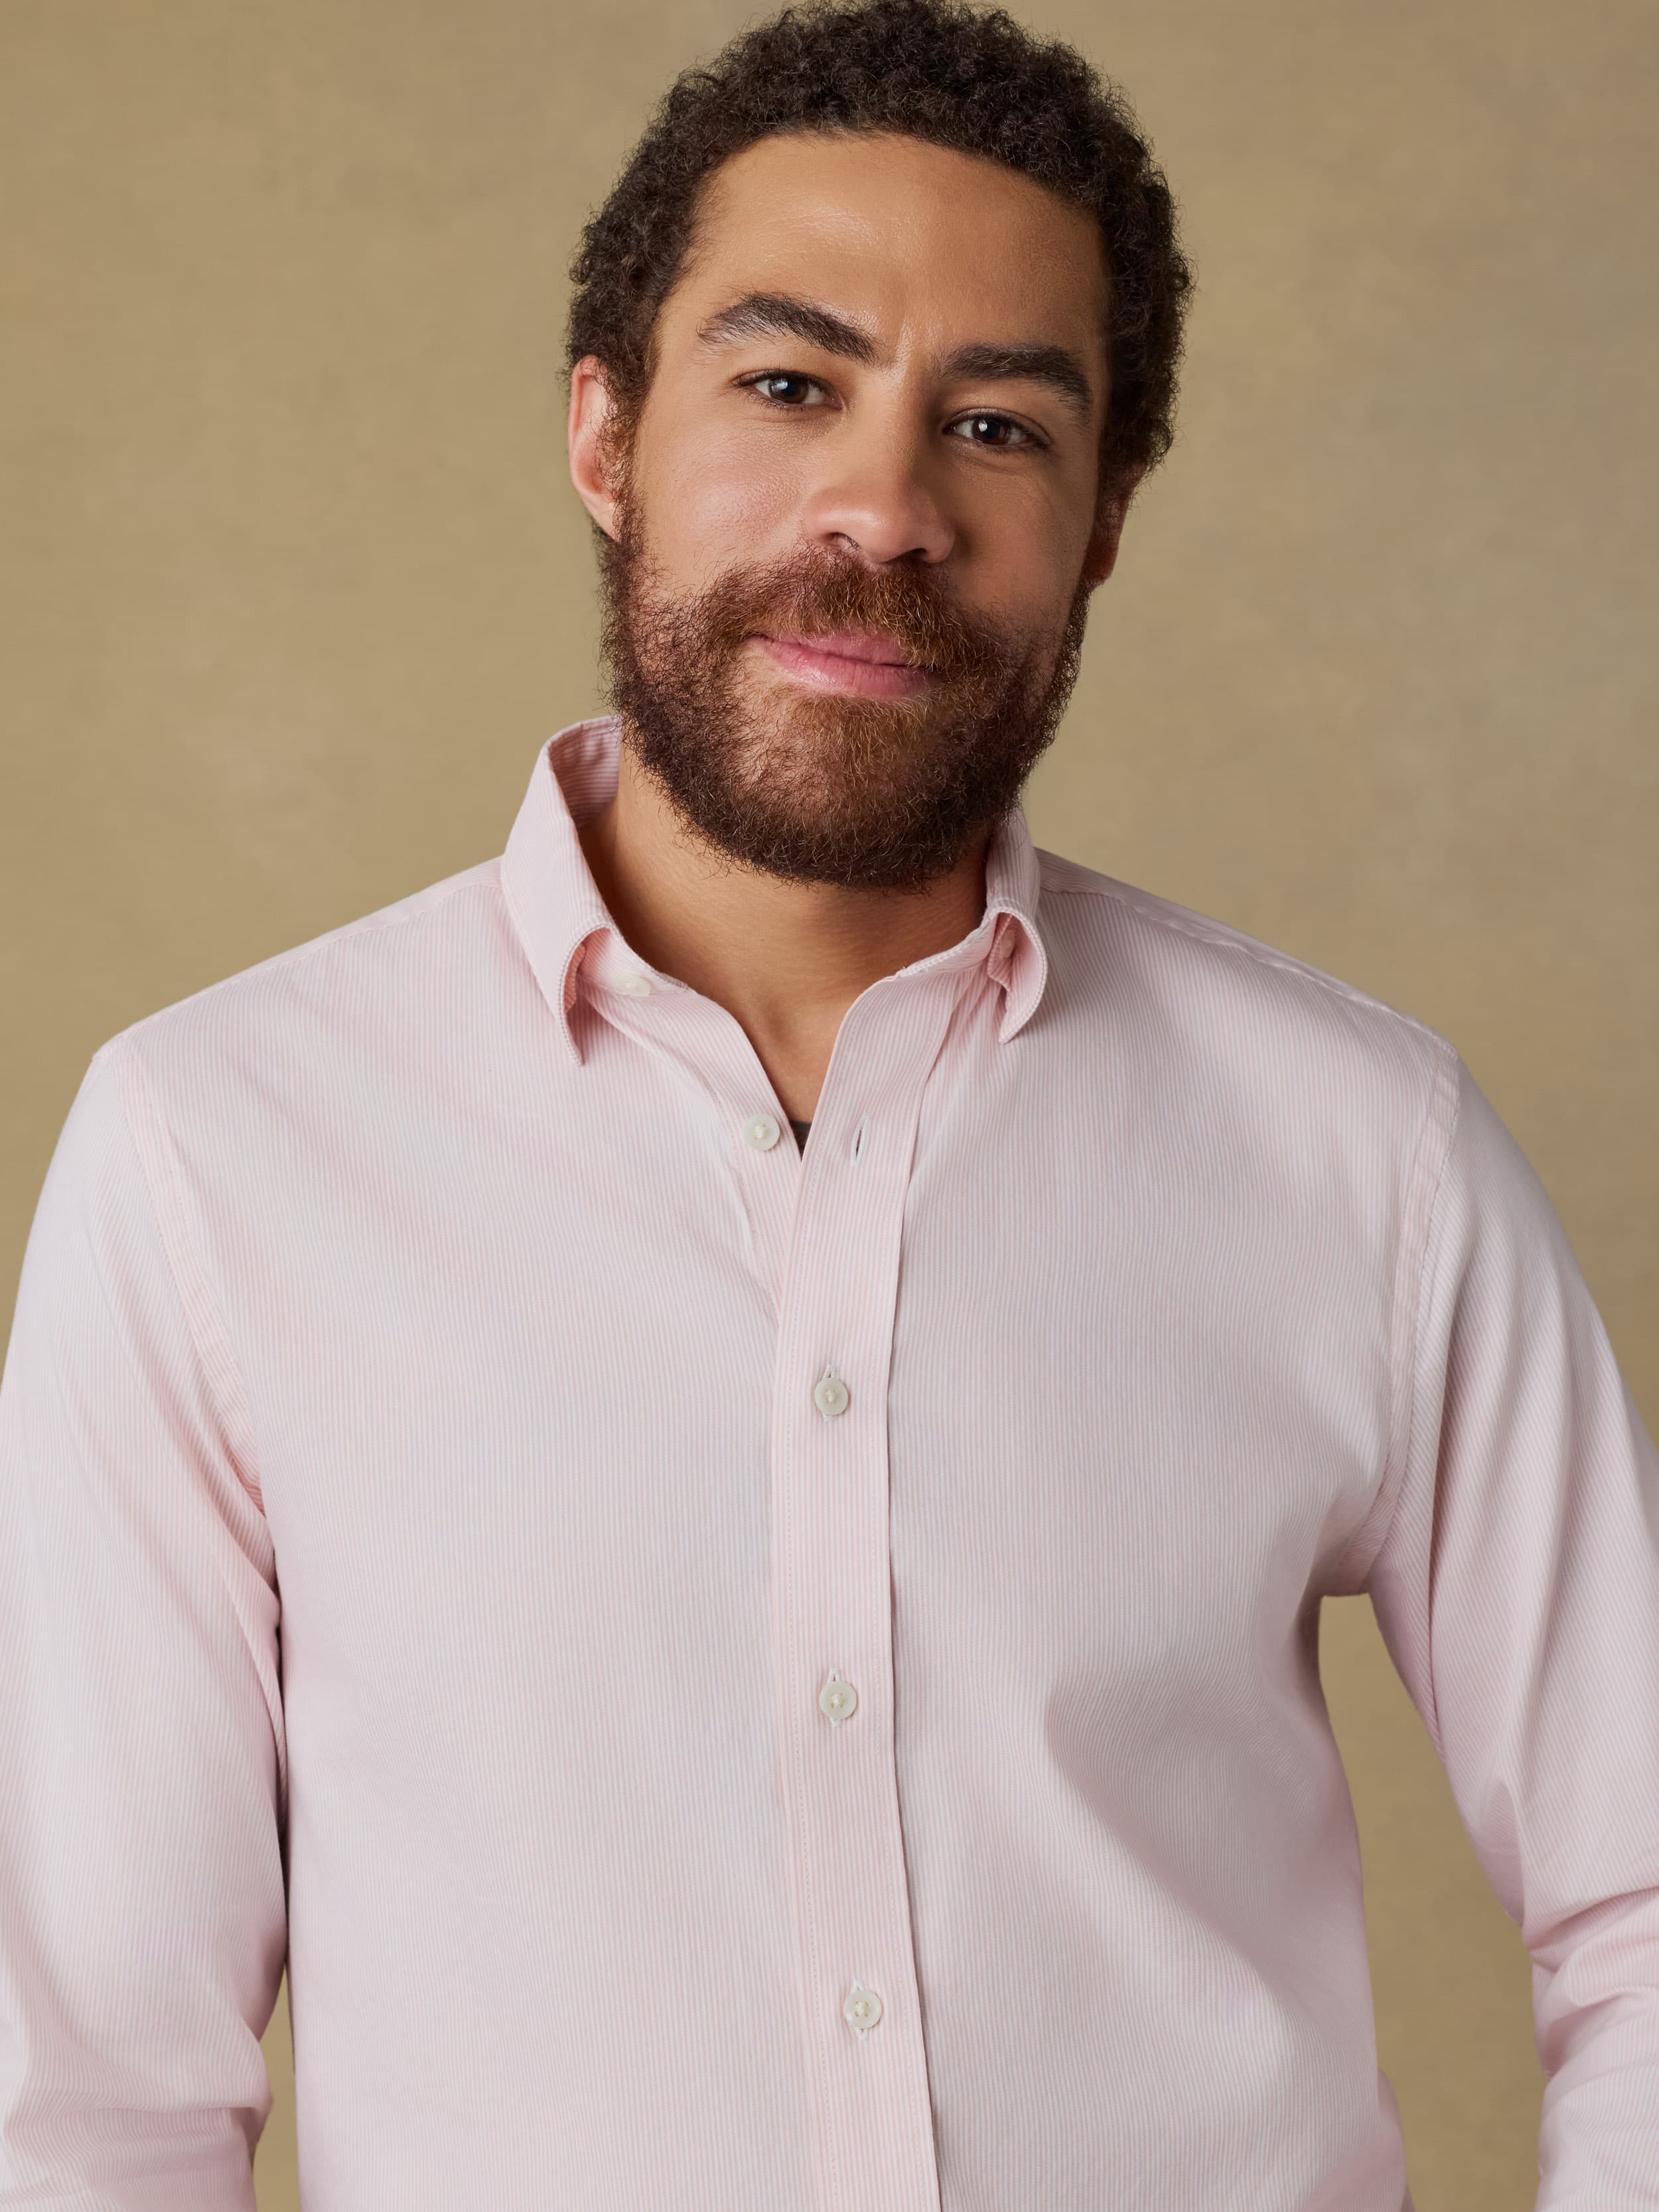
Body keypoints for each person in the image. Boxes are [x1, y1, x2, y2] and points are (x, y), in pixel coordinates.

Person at [1, 0, 1654, 2205]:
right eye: (787, 386)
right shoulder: (217, 1153)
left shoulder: (1369, 1155)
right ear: (606, 434)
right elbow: (94, 2085)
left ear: (1105, 518)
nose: (882, 508)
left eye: (994, 424)